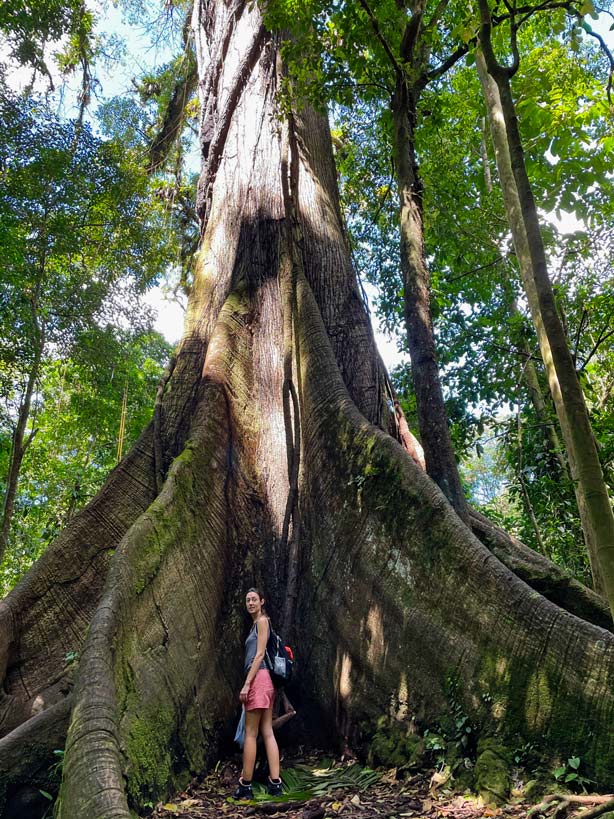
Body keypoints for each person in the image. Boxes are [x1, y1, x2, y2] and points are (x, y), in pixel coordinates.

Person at [234, 588, 283, 800]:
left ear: (262, 601)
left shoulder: (262, 621)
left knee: (251, 734)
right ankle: (275, 783)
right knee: (267, 731)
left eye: (254, 599)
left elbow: (260, 653)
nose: (250, 603)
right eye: (247, 600)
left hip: (259, 680)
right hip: (266, 682)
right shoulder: (256, 624)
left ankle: (245, 785)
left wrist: (246, 684)